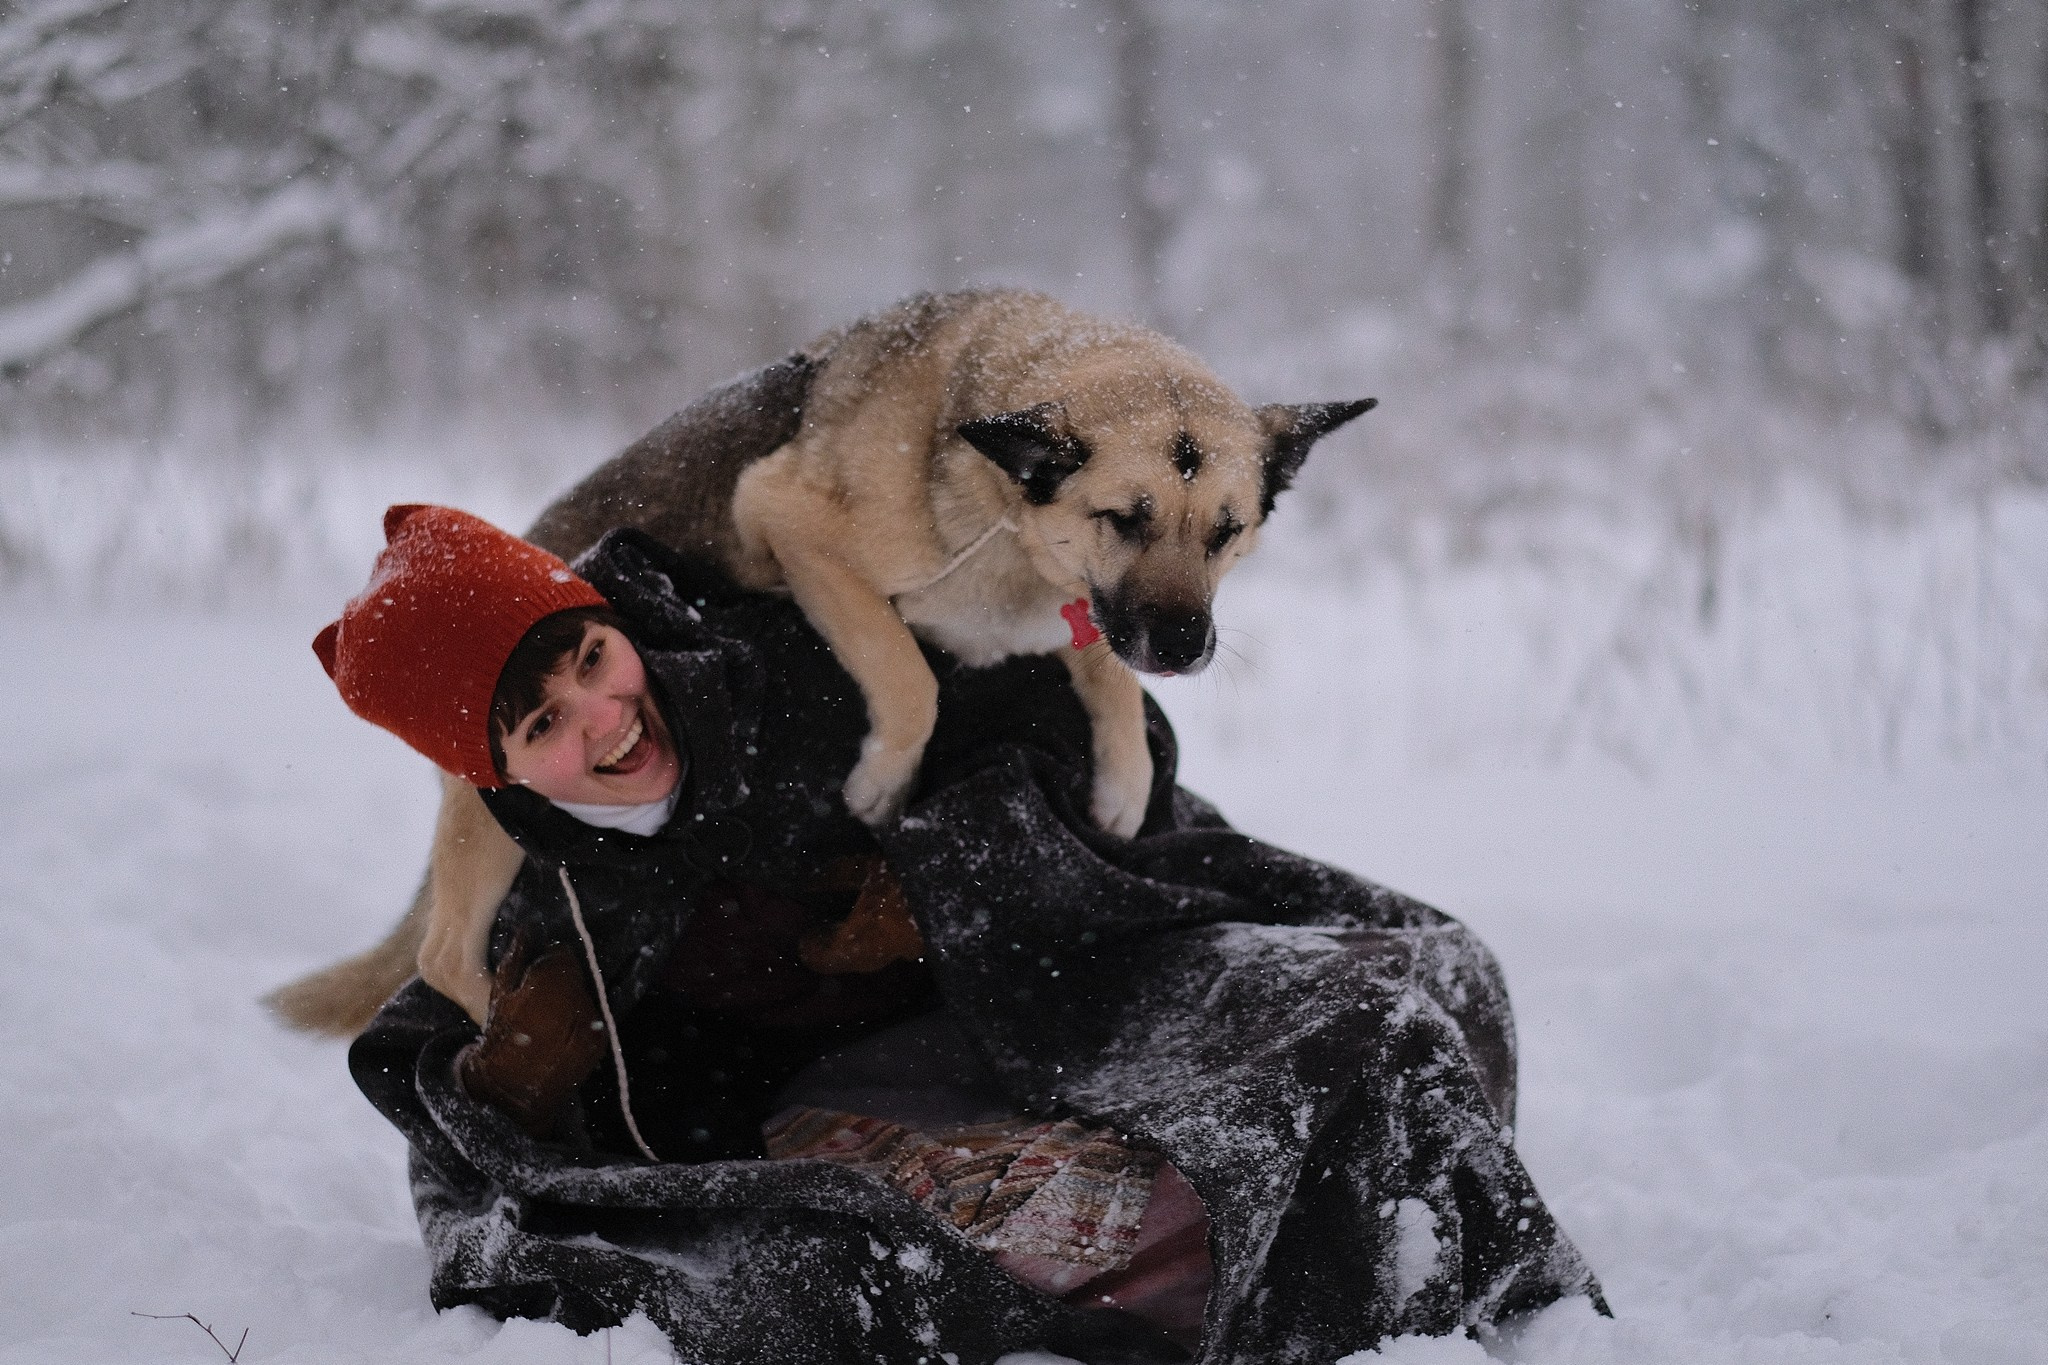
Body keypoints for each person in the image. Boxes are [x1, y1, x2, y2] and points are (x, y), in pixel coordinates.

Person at [321, 505, 1604, 1364]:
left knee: (1394, 1004)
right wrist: (511, 1087)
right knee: (826, 1279)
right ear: (491, 773)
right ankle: (1248, 1264)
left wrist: (961, 869)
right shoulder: (537, 895)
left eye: (589, 660)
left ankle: (1462, 1297)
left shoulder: (809, 649)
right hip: (882, 1102)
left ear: (610, 622)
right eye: (539, 725)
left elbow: (1115, 740)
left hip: (1071, 985)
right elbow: (450, 1140)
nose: (599, 720)